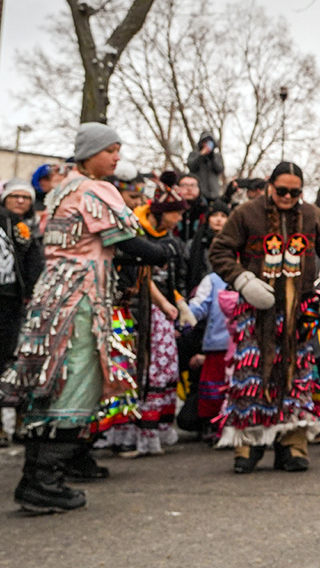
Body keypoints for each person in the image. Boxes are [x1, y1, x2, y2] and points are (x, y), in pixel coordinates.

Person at [0, 124, 171, 513]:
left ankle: (41, 476)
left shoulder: (62, 189)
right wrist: (158, 252)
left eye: (118, 149)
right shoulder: (92, 190)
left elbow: (95, 244)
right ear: (89, 152)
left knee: (54, 379)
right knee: (76, 379)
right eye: (110, 149)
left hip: (55, 295)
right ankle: (42, 481)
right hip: (78, 299)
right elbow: (124, 240)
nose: (117, 157)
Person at [209, 160, 320, 474]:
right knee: (253, 379)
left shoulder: (313, 215)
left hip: (299, 312)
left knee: (296, 379)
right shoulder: (245, 213)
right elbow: (220, 252)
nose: (287, 197)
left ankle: (293, 445)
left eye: (294, 192)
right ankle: (249, 446)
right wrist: (244, 281)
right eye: (282, 190)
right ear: (270, 186)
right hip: (257, 311)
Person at [105, 171, 192, 457]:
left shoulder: (172, 240)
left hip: (163, 311)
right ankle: (130, 430)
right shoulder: (135, 233)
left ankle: (158, 427)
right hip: (135, 309)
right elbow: (142, 277)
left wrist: (178, 302)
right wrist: (163, 303)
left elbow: (176, 278)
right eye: (175, 213)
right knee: (138, 368)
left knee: (164, 367)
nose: (178, 219)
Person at [1, 179, 46, 444]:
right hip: (4, 297)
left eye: (25, 197)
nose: (20, 201)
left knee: (22, 362)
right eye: (14, 196)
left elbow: (35, 263)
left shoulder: (31, 229)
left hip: (21, 302)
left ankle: (21, 424)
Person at [182, 267, 237, 441]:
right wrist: (186, 314)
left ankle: (238, 424)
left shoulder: (254, 273)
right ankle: (213, 425)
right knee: (213, 393)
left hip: (245, 344)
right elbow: (199, 306)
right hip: (217, 345)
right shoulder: (213, 280)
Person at [186, 134, 225, 204]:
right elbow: (192, 167)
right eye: (205, 142)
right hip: (200, 192)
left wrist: (212, 157)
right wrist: (201, 155)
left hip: (214, 192)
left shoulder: (217, 156)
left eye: (209, 142)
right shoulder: (194, 154)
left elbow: (220, 169)